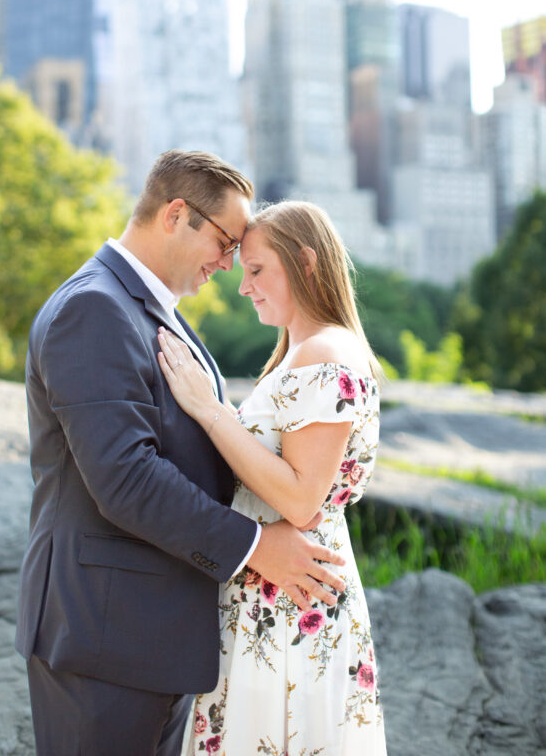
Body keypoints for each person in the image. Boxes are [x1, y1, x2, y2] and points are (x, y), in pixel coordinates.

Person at [15, 152, 347, 756]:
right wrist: (256, 547)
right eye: (225, 242)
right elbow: (125, 478)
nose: (228, 265)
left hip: (150, 636)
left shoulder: (149, 311)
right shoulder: (94, 309)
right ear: (176, 214)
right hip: (105, 639)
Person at [158, 200, 387, 755]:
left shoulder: (324, 353)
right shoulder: (302, 354)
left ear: (306, 262)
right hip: (275, 595)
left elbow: (301, 499)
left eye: (257, 270)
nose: (244, 287)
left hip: (290, 604)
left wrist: (208, 409)